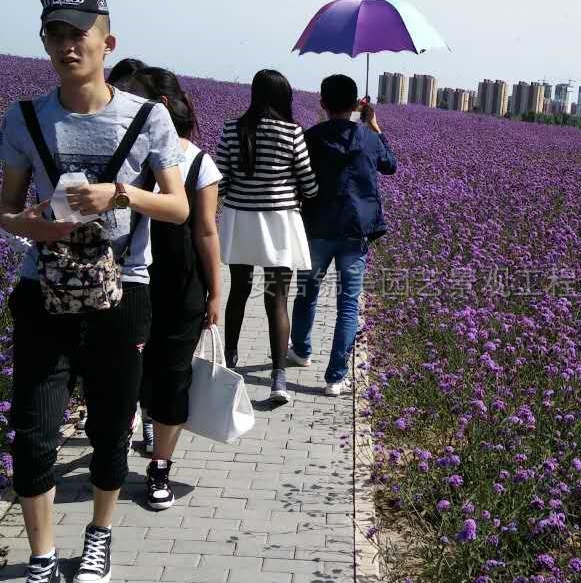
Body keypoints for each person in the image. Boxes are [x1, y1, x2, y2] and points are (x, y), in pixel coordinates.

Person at [0, 0, 188, 583]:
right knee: (34, 428)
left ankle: (100, 533)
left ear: (107, 41)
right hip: (42, 287)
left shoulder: (148, 116)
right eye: (53, 32)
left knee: (111, 425)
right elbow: (6, 209)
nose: (65, 44)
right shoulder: (23, 118)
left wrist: (122, 196)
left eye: (77, 33)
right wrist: (34, 226)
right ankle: (42, 560)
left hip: (122, 292)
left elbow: (180, 205)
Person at [109, 66, 222, 509]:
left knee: (174, 377)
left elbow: (207, 232)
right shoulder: (122, 157)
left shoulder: (197, 162)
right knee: (129, 372)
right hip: (126, 280)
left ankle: (160, 468)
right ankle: (137, 429)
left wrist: (216, 293)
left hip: (180, 286)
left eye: (137, 100)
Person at [289, 74, 397, 395]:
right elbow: (390, 165)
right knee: (348, 304)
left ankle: (301, 350)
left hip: (318, 227)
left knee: (307, 290)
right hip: (355, 231)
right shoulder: (368, 137)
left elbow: (297, 175)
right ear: (355, 105)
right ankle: (336, 377)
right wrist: (374, 125)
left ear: (322, 103)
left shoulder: (310, 137)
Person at [215, 69, 317, 405]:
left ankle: (228, 362)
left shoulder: (232, 127)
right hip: (279, 223)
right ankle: (278, 379)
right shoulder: (292, 132)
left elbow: (222, 177)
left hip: (241, 220)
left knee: (239, 291)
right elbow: (308, 181)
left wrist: (240, 196)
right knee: (277, 298)